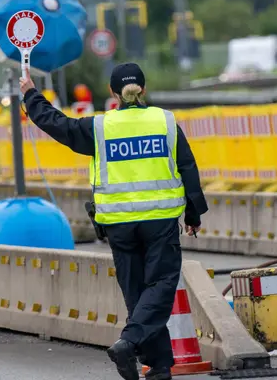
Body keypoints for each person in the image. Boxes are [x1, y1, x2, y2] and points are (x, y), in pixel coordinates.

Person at [20, 63, 208, 380]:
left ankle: (159, 367)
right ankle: (130, 343)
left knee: (137, 294)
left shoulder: (99, 128)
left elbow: (57, 124)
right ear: (143, 90)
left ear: (112, 93)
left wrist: (30, 96)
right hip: (159, 221)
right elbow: (187, 167)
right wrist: (193, 214)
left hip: (119, 225)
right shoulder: (165, 122)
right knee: (160, 289)